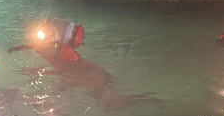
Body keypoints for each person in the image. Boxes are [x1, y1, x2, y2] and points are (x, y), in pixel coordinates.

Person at [8, 18, 157, 109]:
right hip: (85, 74)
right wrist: (17, 48)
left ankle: (145, 100)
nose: (39, 47)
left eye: (42, 44)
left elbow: (63, 71)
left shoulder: (66, 54)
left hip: (91, 76)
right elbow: (34, 46)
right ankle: (145, 99)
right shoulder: (47, 46)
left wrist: (39, 71)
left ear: (53, 41)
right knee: (108, 103)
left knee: (112, 103)